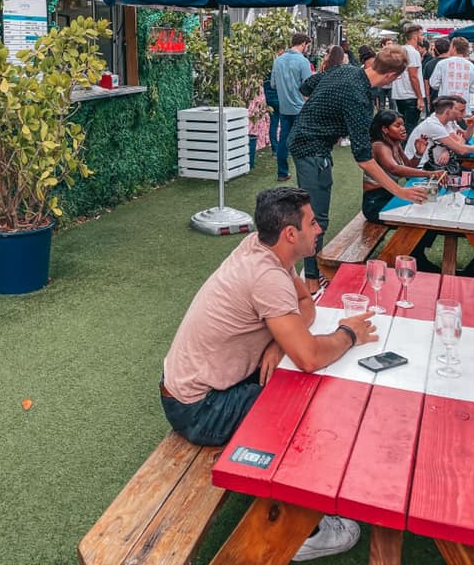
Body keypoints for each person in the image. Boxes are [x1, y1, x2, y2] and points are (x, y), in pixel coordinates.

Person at [160, 186, 375, 560]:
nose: (319, 227)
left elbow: (306, 302)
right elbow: (308, 355)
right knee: (304, 400)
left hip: (199, 386)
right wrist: (349, 334)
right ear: (291, 233)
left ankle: (298, 501)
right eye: (312, 222)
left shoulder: (266, 251)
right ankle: (305, 527)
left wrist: (278, 341)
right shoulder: (267, 276)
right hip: (199, 407)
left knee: (294, 378)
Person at [288, 45, 428, 295]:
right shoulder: (360, 100)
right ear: (392, 77)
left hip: (309, 143)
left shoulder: (345, 70)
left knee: (314, 214)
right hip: (311, 149)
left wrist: (323, 113)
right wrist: (400, 192)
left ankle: (310, 273)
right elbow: (364, 159)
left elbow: (306, 87)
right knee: (317, 217)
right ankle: (310, 281)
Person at [362, 111, 445, 221]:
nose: (403, 128)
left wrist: (418, 153)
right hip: (375, 202)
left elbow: (409, 166)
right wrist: (429, 173)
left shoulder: (395, 143)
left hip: (390, 194)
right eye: (397, 125)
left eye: (403, 124)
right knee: (422, 215)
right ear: (385, 129)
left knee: (426, 209)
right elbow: (395, 169)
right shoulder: (379, 146)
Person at [270, 33, 312, 182]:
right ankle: (306, 173)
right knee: (303, 140)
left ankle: (282, 172)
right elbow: (309, 86)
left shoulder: (278, 61)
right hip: (301, 107)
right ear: (303, 44)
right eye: (307, 45)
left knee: (283, 140)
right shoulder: (303, 61)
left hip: (284, 107)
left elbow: (273, 84)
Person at [404, 95, 474, 170]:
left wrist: (471, 127)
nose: (464, 114)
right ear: (448, 112)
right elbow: (461, 149)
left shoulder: (445, 121)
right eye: (461, 111)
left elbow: (463, 140)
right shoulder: (434, 125)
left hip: (435, 165)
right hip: (422, 167)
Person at [429, 36, 474, 116]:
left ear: (453, 47)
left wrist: (444, 85)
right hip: (463, 108)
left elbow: (433, 84)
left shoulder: (442, 64)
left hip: (445, 108)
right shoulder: (471, 66)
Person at [390, 24, 425, 133]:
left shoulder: (400, 50)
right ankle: (407, 149)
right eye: (421, 35)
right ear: (415, 37)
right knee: (410, 128)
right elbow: (413, 76)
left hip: (399, 94)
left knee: (402, 127)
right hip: (411, 95)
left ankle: (401, 148)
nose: (423, 38)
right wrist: (420, 97)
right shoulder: (413, 53)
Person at [423, 36, 450, 113]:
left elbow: (426, 85)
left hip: (435, 100)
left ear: (436, 50)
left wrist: (428, 101)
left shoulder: (429, 64)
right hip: (451, 99)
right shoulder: (453, 63)